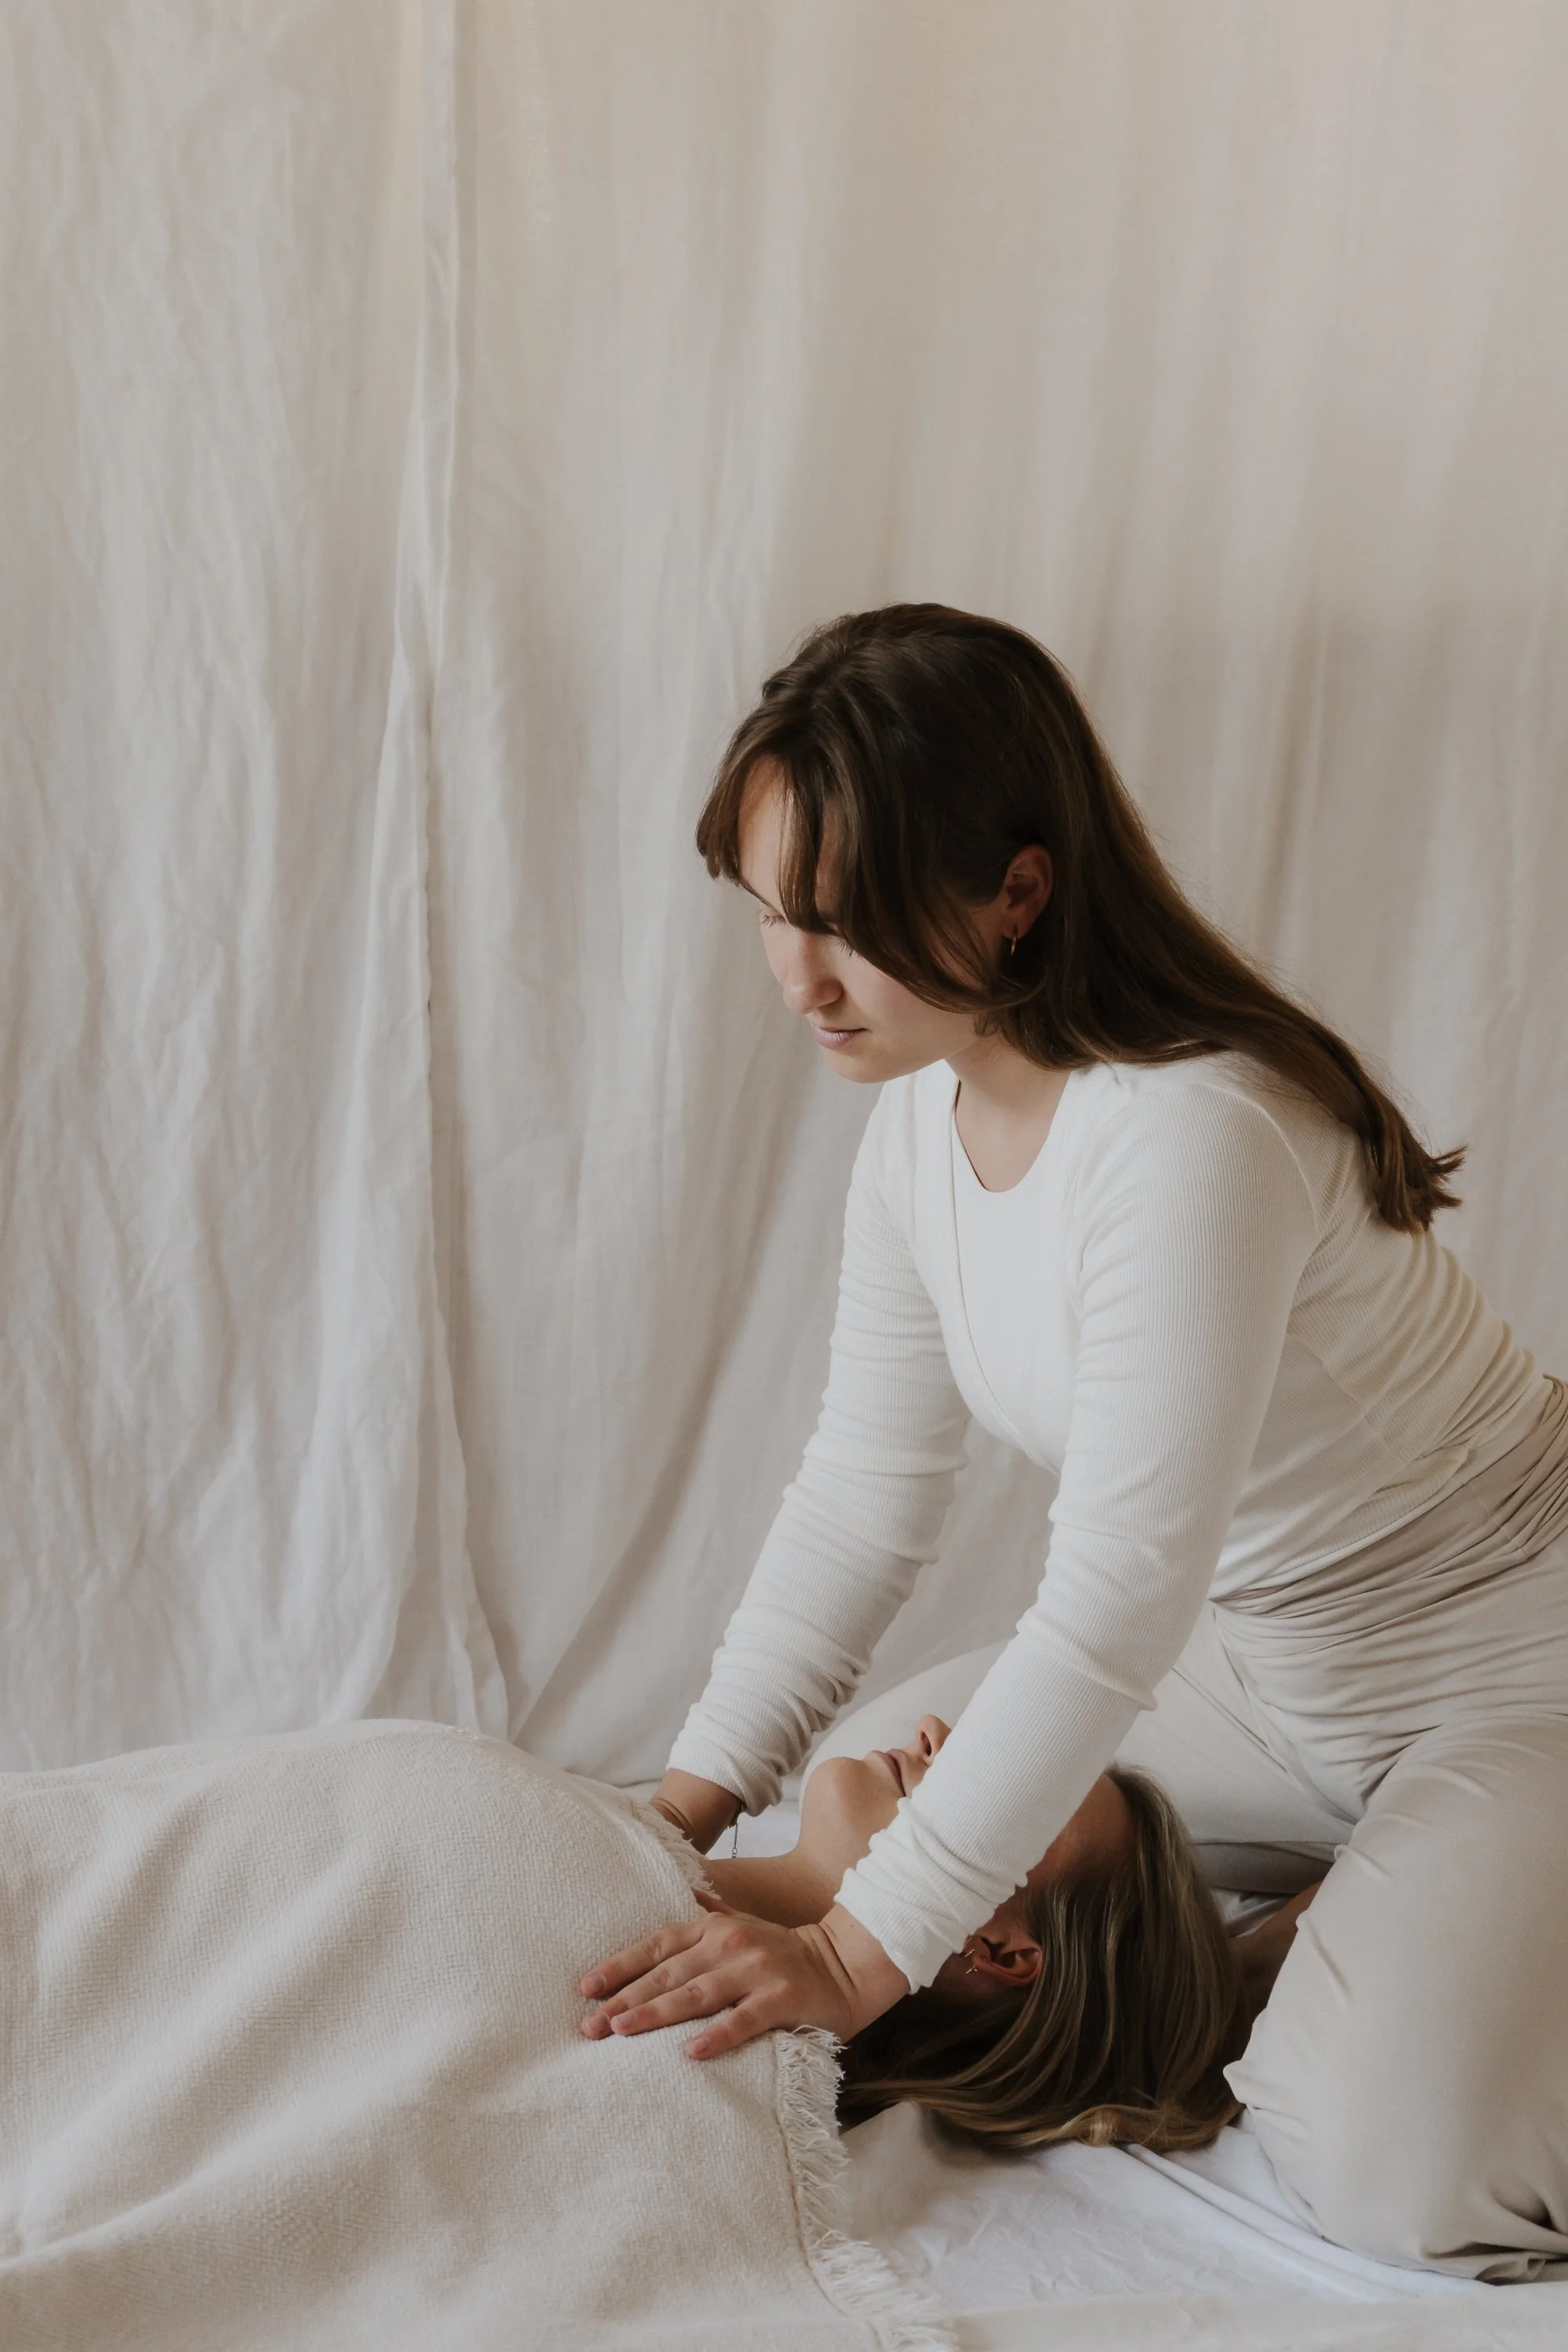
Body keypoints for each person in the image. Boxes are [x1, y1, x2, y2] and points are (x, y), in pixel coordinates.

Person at [579, 604, 1568, 2278]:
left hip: (1515, 1670)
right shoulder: (923, 1120)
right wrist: (672, 1812)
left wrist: (857, 1966)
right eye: (772, 917)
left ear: (1017, 892)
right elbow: (862, 1496)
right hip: (1267, 1665)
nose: (801, 979)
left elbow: (1115, 1597)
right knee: (860, 1792)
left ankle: (1327, 1954)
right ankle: (1361, 1912)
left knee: (1398, 2169)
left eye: (845, 923)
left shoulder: (1193, 1130)